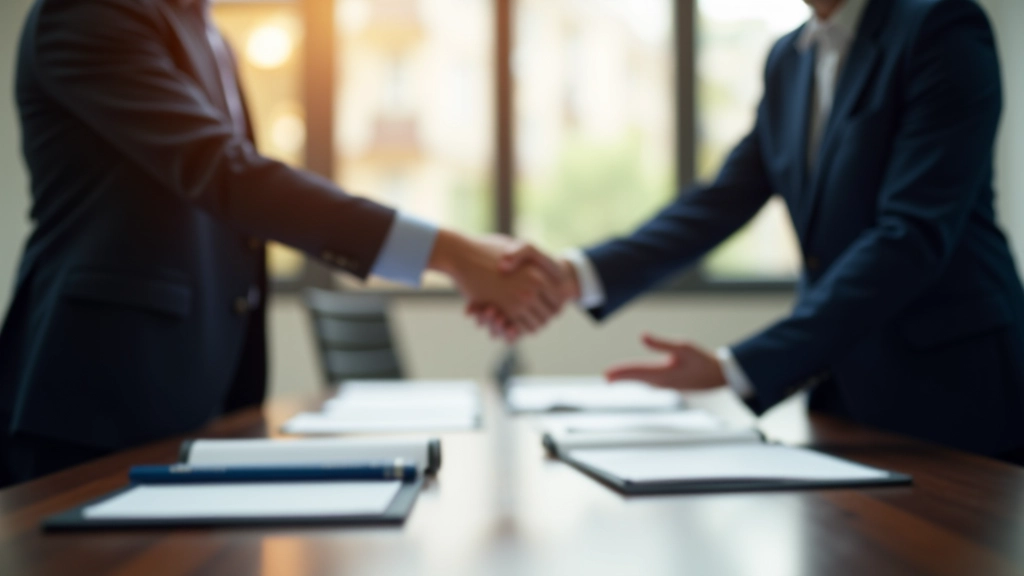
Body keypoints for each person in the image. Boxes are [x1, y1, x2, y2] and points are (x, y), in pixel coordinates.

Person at [0, 0, 564, 486]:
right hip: (92, 399)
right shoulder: (89, 12)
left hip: (196, 393)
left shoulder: (202, 28)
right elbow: (227, 175)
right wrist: (451, 252)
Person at [484, 0, 1024, 462]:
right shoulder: (789, 59)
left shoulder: (940, 27)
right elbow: (723, 200)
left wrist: (736, 366)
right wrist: (574, 275)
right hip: (846, 391)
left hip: (955, 388)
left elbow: (910, 234)